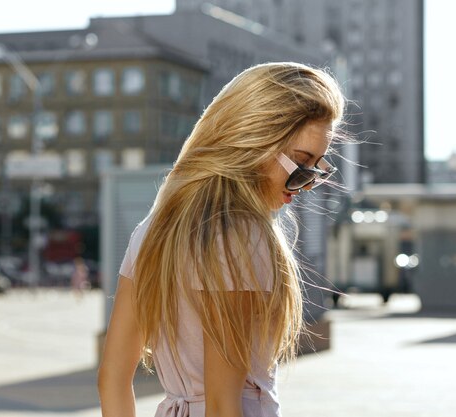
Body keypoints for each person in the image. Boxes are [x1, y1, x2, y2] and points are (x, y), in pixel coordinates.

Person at [98, 62, 347, 417]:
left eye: (317, 170)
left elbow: (112, 379)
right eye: (300, 164)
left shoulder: (152, 230)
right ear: (255, 140)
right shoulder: (243, 236)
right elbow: (221, 404)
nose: (306, 184)